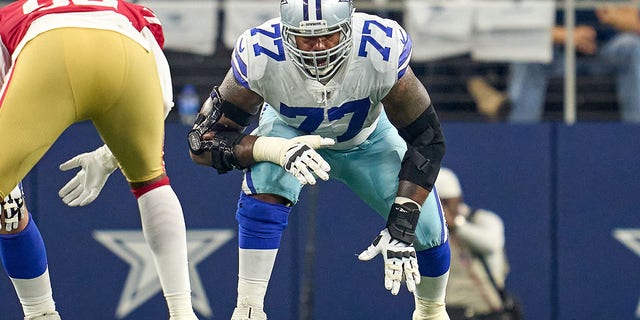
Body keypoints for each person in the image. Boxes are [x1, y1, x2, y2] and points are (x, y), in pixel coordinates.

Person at [187, 0, 451, 319]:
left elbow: (427, 139)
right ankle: (248, 307)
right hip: (290, 131)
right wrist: (275, 150)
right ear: (286, 35)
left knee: (425, 228)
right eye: (307, 38)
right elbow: (202, 142)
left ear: (348, 30)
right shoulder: (261, 53)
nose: (319, 48)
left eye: (330, 36)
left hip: (368, 138)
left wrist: (403, 225)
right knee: (268, 177)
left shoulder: (379, 49)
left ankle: (431, 312)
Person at [0, 1, 199, 319]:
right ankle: (182, 311)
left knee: (7, 207)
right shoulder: (131, 9)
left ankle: (40, 312)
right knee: (152, 181)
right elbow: (163, 98)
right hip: (125, 54)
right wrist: (110, 156)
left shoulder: (11, 14)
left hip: (49, 53)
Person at [471, 5, 640, 123]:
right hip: (557, 55)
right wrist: (566, 34)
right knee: (528, 53)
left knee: (633, 46)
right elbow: (519, 22)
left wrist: (619, 21)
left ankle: (635, 131)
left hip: (605, 53)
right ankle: (521, 135)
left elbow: (633, 21)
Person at [435, 168, 521, 320]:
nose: (443, 207)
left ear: (458, 198)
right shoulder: (430, 232)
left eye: (447, 202)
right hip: (452, 313)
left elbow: (491, 243)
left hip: (488, 312)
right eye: (438, 203)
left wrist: (456, 225)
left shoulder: (482, 219)